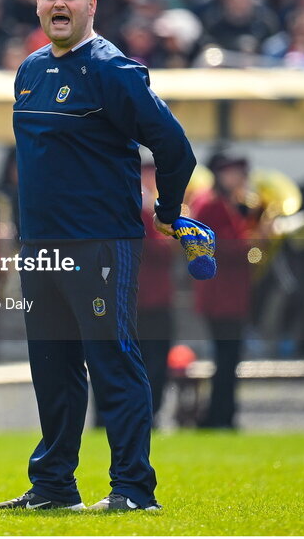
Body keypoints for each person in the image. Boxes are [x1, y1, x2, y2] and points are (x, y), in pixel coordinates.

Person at [0, 0, 195, 512]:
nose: (59, 5)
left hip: (101, 242)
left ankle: (133, 490)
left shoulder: (114, 71)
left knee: (112, 361)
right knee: (51, 367)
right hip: (40, 246)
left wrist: (169, 210)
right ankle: (54, 486)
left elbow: (175, 148)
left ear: (92, 6)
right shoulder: (30, 70)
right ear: (37, 5)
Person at [190, 152, 253, 429]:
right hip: (220, 295)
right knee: (226, 358)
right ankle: (219, 416)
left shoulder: (228, 203)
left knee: (229, 358)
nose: (239, 178)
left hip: (231, 294)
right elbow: (217, 247)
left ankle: (222, 414)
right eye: (233, 171)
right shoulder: (210, 204)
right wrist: (251, 243)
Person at [136, 158, 175, 422]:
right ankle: (145, 414)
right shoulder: (141, 212)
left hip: (158, 297)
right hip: (142, 299)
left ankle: (152, 412)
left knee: (158, 361)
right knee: (148, 362)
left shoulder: (154, 213)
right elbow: (158, 249)